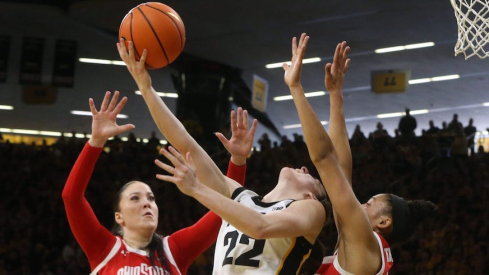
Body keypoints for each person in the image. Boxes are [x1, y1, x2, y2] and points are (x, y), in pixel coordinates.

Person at [118, 38, 328, 274]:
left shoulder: (312, 210)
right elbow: (186, 143)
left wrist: (197, 188)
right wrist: (146, 87)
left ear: (310, 195)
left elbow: (261, 227)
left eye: (315, 179)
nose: (305, 168)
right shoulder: (241, 198)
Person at [280, 33, 438, 275]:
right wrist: (335, 96)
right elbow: (341, 171)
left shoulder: (364, 241)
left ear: (384, 222)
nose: (359, 203)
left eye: (368, 203)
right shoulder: (364, 247)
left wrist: (296, 89)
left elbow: (325, 160)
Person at [62, 91, 254, 274]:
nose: (147, 203)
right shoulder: (104, 247)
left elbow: (226, 210)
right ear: (119, 217)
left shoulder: (173, 250)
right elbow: (71, 197)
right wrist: (95, 141)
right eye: (135, 198)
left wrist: (237, 160)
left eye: (151, 198)